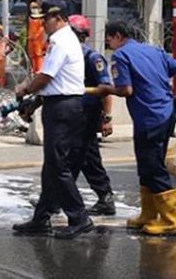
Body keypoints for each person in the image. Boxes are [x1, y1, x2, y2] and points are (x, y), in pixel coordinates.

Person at [96, 21, 176, 235]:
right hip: (165, 115)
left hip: (150, 118)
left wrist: (106, 88)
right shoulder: (153, 50)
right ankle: (148, 214)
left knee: (153, 167)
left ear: (118, 36)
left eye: (109, 39)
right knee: (146, 166)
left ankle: (169, 219)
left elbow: (126, 90)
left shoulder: (121, 56)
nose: (108, 44)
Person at [12, 0, 93, 240]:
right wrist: (35, 102)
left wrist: (25, 88)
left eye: (45, 20)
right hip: (60, 105)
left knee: (58, 166)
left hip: (63, 109)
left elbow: (46, 77)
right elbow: (54, 83)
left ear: (57, 18)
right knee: (52, 167)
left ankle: (79, 217)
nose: (42, 25)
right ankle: (41, 218)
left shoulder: (61, 41)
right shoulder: (63, 40)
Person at [67, 14, 116, 216]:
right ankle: (104, 197)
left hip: (87, 114)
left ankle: (56, 198)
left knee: (75, 157)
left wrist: (107, 118)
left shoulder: (92, 58)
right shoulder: (69, 55)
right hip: (73, 114)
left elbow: (106, 88)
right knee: (85, 157)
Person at [27, 2, 46, 73]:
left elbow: (41, 29)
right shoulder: (30, 18)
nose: (33, 10)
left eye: (35, 8)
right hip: (31, 40)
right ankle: (34, 69)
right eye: (32, 8)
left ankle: (39, 69)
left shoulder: (40, 19)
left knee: (38, 55)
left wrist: (35, 36)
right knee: (32, 55)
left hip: (37, 40)